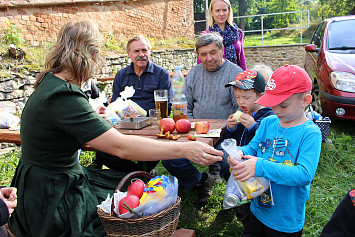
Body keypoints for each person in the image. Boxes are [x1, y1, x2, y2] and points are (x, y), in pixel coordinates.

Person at [8, 20, 223, 237]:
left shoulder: (50, 83)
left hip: (42, 180)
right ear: (90, 55)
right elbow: (120, 146)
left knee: (131, 185)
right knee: (125, 211)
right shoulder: (63, 95)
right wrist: (184, 149)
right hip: (50, 194)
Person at [228, 64, 322, 236]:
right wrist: (239, 152)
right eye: (273, 104)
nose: (276, 110)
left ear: (305, 101)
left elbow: (303, 175)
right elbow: (253, 148)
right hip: (257, 208)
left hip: (285, 219)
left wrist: (260, 167)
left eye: (283, 105)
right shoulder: (268, 123)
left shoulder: (310, 133)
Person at [162, 32, 242, 206]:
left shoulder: (235, 73)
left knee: (230, 161)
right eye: (203, 54)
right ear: (198, 56)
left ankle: (236, 194)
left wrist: (229, 128)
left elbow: (240, 109)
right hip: (195, 133)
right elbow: (186, 106)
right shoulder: (193, 73)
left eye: (213, 52)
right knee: (170, 158)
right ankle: (200, 181)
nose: (209, 58)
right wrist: (190, 128)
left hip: (226, 135)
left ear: (222, 51)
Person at [95, 35, 173, 173]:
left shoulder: (161, 74)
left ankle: (140, 173)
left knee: (150, 154)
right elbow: (114, 104)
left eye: (144, 50)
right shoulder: (121, 75)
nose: (141, 55)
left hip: (151, 127)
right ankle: (139, 173)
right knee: (103, 154)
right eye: (136, 51)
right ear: (129, 54)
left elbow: (167, 106)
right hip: (125, 126)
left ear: (150, 51)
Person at [211, 70, 274, 236]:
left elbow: (267, 140)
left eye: (246, 97)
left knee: (255, 197)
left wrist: (253, 126)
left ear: (261, 96)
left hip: (257, 168)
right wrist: (231, 128)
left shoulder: (268, 116)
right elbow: (233, 139)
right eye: (238, 97)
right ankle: (245, 216)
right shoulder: (243, 114)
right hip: (240, 161)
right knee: (241, 194)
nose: (241, 102)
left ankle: (253, 221)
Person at [197, 0, 246, 70]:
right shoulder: (205, 35)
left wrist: (245, 77)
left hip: (235, 75)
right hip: (215, 78)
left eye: (224, 10)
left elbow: (242, 60)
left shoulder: (237, 33)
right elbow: (201, 63)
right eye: (217, 10)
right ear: (212, 12)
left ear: (229, 11)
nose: (221, 14)